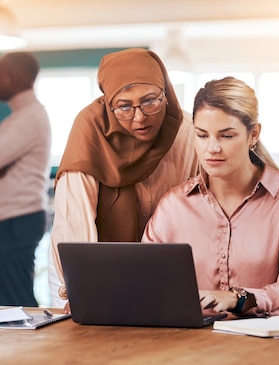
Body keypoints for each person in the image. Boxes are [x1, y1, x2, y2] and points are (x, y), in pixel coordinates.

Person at [142, 76, 279, 316]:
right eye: (202, 135)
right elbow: (145, 285)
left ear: (253, 134)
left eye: (226, 136)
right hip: (189, 344)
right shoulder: (173, 207)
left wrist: (238, 298)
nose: (212, 148)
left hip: (267, 345)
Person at [48, 48, 199, 308]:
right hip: (83, 263)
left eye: (150, 101)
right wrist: (82, 287)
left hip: (163, 263)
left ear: (166, 93)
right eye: (124, 106)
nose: (139, 117)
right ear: (108, 103)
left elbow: (200, 207)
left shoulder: (188, 130)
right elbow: (75, 222)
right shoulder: (90, 130)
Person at [0, 52, 51, 307]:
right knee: (10, 300)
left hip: (17, 219)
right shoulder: (19, 117)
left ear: (14, 78)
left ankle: (30, 348)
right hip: (12, 219)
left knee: (16, 303)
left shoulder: (28, 118)